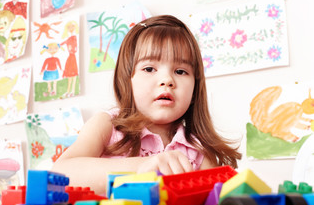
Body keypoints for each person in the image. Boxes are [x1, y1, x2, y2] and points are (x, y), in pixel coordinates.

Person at [52, 15, 241, 195]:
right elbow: (59, 174)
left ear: (194, 89)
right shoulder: (108, 125)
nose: (167, 80)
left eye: (181, 71)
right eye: (149, 69)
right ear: (128, 80)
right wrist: (143, 166)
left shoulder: (198, 151)